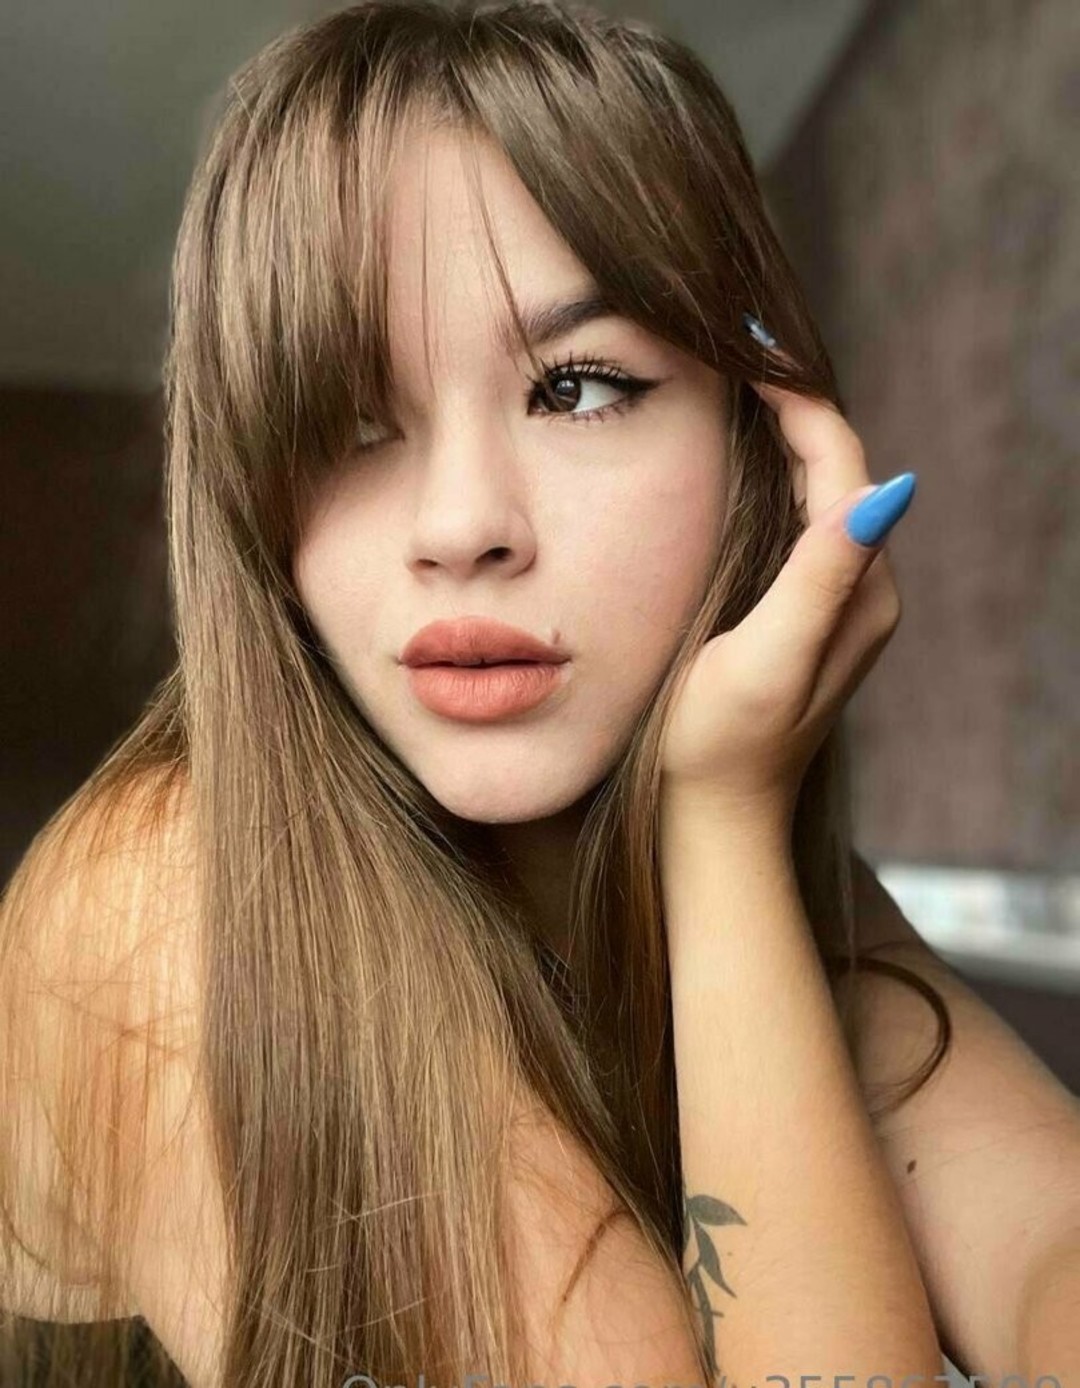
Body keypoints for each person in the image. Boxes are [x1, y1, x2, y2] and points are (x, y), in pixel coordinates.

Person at [3, 2, 1079, 1386]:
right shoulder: (162, 914)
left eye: (576, 389)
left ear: (761, 438)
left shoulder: (722, 857)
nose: (462, 526)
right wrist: (722, 820)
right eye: (346, 413)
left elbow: (1049, 1250)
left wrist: (721, 827)